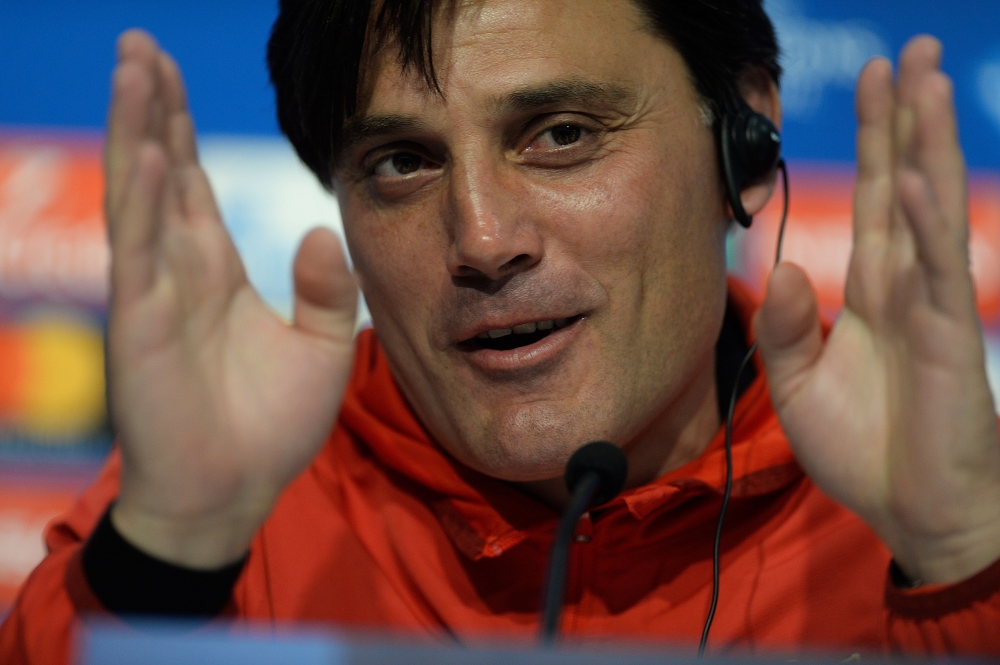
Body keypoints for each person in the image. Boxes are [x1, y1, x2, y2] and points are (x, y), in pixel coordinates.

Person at [3, 0, 1000, 662]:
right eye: (400, 162)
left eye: (561, 134)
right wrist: (169, 561)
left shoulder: (924, 501)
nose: (481, 239)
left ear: (743, 140)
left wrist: (964, 556)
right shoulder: (225, 505)